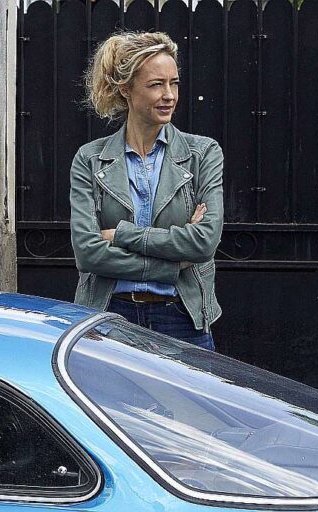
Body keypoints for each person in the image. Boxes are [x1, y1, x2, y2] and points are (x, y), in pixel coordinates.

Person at [69, 31, 223, 350]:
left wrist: (122, 235)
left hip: (181, 318)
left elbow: (204, 242)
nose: (169, 95)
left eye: (174, 83)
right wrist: (171, 265)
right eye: (156, 85)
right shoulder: (90, 159)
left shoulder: (202, 154)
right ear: (126, 89)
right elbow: (87, 252)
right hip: (109, 317)